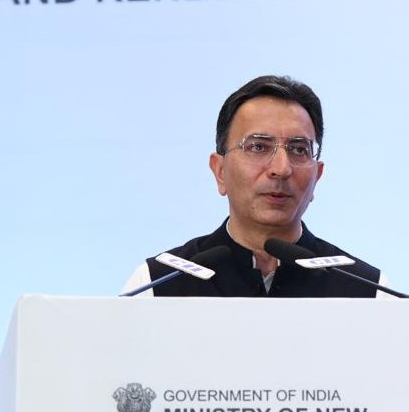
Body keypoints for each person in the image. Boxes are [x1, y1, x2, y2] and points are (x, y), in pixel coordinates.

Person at [122, 75, 388, 297]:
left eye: (298, 149)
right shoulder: (158, 284)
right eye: (258, 147)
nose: (281, 169)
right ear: (220, 171)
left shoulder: (368, 291)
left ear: (317, 176)